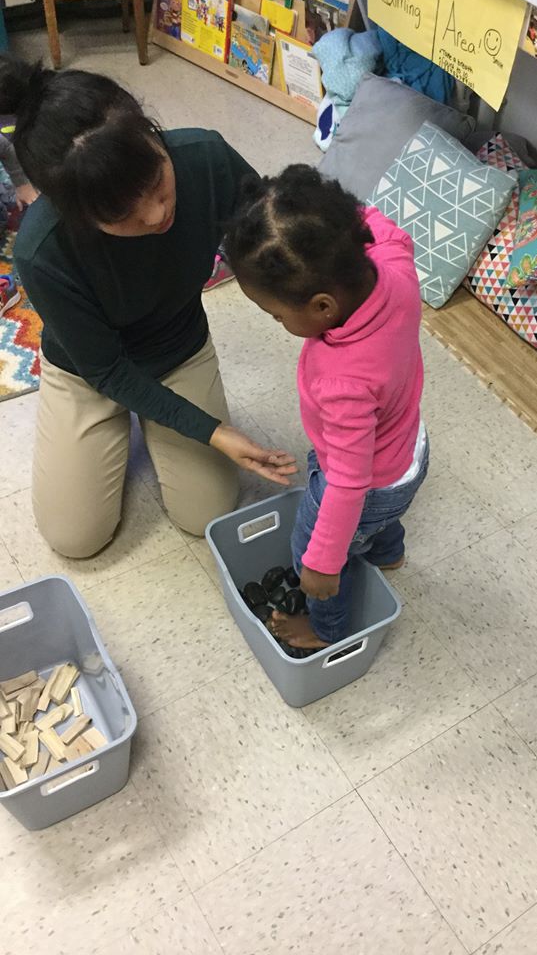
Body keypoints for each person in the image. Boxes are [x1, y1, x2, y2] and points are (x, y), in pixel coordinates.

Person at [0, 56, 296, 558]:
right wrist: (215, 432)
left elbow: (274, 233)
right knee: (75, 538)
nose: (158, 215)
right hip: (90, 371)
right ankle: (123, 423)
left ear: (153, 133)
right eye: (123, 216)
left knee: (208, 515)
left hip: (177, 344)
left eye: (159, 183)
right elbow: (107, 370)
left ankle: (156, 422)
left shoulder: (205, 156)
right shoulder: (41, 250)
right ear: (75, 215)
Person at [225, 166, 428, 651]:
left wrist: (321, 560)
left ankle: (326, 631)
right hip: (409, 448)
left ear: (321, 307)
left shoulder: (343, 383)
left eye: (276, 314)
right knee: (380, 522)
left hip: (370, 480)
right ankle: (388, 553)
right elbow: (383, 227)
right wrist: (324, 217)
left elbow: (348, 481)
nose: (277, 322)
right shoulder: (393, 269)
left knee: (312, 547)